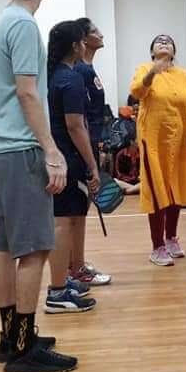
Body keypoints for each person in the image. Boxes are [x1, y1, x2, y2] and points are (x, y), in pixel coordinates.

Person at [0, 0, 74, 372]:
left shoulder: (5, 21)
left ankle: (11, 338)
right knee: (35, 249)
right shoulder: (23, 25)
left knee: (6, 246)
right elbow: (26, 93)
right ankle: (22, 349)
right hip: (21, 151)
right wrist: (51, 151)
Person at [130, 34, 186, 266]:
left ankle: (171, 238)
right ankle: (157, 247)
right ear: (152, 51)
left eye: (168, 41)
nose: (164, 42)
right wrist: (153, 72)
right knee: (157, 191)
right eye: (159, 41)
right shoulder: (144, 69)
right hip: (153, 142)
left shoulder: (184, 76)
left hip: (180, 143)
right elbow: (136, 92)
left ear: (174, 51)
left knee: (176, 188)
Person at [43, 20, 100, 314]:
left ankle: (63, 281)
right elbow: (75, 126)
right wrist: (93, 164)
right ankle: (57, 292)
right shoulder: (72, 78)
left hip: (58, 156)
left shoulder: (53, 76)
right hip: (69, 158)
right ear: (76, 46)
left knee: (66, 219)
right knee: (63, 222)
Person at [69, 17, 112, 288]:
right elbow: (79, 117)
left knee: (80, 209)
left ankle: (75, 264)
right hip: (83, 147)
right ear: (84, 39)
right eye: (95, 31)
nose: (101, 34)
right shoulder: (81, 72)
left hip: (92, 142)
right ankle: (76, 268)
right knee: (76, 210)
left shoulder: (88, 68)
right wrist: (89, 157)